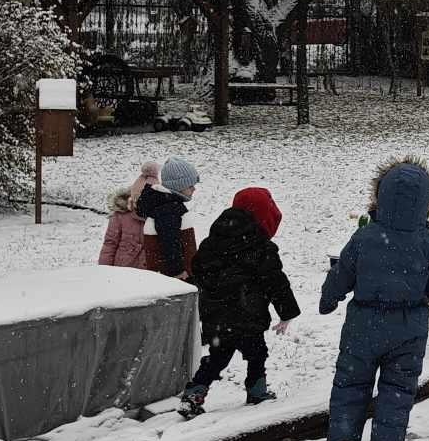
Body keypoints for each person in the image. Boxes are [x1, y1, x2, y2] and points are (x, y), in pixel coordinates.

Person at [320, 158, 429, 441]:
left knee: (350, 384)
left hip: (363, 325)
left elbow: (343, 273)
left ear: (380, 196)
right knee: (398, 388)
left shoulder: (366, 237)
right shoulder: (428, 242)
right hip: (408, 328)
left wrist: (329, 298)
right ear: (426, 202)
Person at [179, 187, 299, 415]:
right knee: (257, 354)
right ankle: (257, 391)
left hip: (216, 316)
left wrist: (215, 292)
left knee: (218, 356)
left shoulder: (213, 241)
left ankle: (194, 392)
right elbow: (275, 281)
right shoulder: (261, 246)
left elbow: (198, 268)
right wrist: (287, 312)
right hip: (248, 315)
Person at [138, 157, 200, 278]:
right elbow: (169, 243)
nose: (194, 188)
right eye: (190, 185)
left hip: (168, 275)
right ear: (178, 185)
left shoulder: (167, 204)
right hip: (173, 277)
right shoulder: (168, 209)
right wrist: (177, 272)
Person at [98, 161, 159, 268]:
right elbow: (110, 244)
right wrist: (104, 269)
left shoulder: (161, 217)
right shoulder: (120, 216)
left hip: (149, 274)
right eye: (139, 201)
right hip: (122, 271)